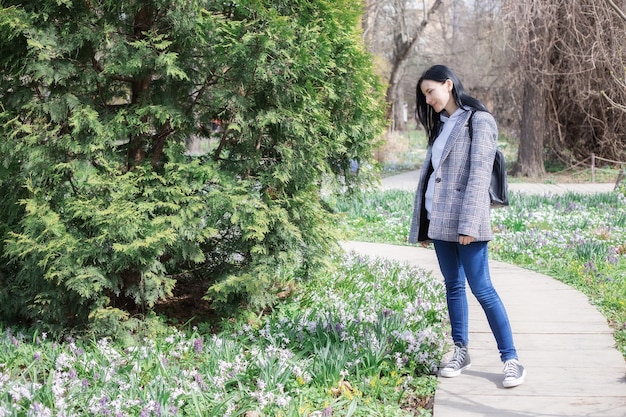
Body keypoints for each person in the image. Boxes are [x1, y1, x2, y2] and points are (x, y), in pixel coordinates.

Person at [408, 64, 526, 388]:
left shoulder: (479, 121)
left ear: (448, 84)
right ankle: (461, 350)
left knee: (482, 288)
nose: (428, 99)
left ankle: (511, 359)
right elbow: (433, 178)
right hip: (439, 221)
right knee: (453, 286)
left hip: (466, 222)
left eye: (430, 91)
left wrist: (470, 223)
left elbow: (478, 176)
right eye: (424, 95)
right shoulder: (443, 125)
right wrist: (424, 225)